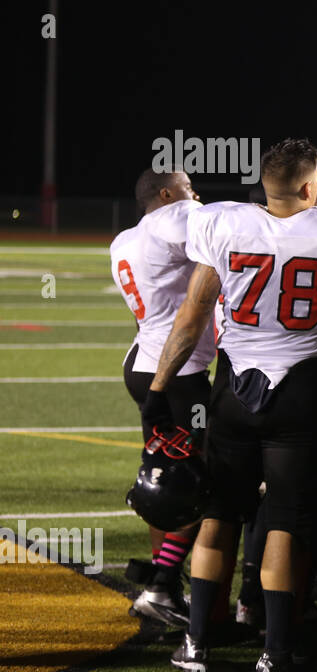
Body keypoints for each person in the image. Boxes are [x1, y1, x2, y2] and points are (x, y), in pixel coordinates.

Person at [150, 138, 317, 672]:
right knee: (285, 520)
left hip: (233, 389)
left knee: (220, 511)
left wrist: (159, 388)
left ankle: (196, 641)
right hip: (301, 391)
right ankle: (275, 653)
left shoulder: (225, 222)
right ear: (310, 187)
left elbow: (191, 315)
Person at [110, 168, 212, 628]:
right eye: (190, 189)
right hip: (179, 374)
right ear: (168, 194)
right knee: (201, 483)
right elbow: (219, 226)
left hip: (142, 363)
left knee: (160, 478)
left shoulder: (123, 241)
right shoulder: (174, 218)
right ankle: (162, 582)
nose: (197, 196)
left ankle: (163, 585)